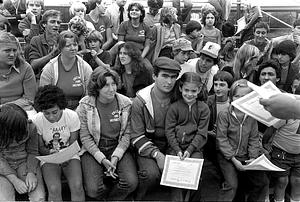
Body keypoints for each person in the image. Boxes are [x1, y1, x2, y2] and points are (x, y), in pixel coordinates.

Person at [76, 67, 138, 200]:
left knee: (131, 182)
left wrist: (115, 157)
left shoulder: (126, 103)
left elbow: (127, 134)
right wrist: (102, 159)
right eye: (106, 85)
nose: (112, 89)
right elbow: (85, 137)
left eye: (113, 84)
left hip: (118, 145)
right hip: (93, 148)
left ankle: (112, 199)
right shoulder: (85, 105)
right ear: (96, 88)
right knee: (93, 190)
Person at [130, 57, 181, 200]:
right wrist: (157, 154)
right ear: (154, 76)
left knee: (181, 173)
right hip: (149, 144)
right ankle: (138, 196)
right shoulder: (141, 101)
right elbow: (136, 135)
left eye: (173, 77)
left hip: (174, 143)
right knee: (151, 174)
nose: (169, 82)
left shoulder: (180, 96)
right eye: (164, 76)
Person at [216, 79, 269, 202]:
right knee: (232, 185)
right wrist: (234, 160)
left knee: (262, 182)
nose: (240, 99)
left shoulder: (251, 116)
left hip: (245, 155)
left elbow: (254, 138)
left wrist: (253, 157)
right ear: (231, 97)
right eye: (236, 96)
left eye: (244, 97)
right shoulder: (224, 115)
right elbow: (222, 139)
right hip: (228, 157)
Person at [32, 85, 85, 201]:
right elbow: (41, 147)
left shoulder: (71, 116)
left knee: (77, 185)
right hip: (49, 156)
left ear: (61, 107)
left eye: (55, 112)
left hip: (70, 154)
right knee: (53, 188)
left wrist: (66, 155)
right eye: (47, 113)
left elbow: (73, 143)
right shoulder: (37, 120)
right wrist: (50, 152)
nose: (51, 117)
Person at [165, 72, 210, 201]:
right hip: (175, 148)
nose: (189, 94)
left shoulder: (204, 108)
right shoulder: (174, 107)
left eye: (193, 91)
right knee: (175, 177)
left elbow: (202, 133)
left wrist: (190, 150)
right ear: (180, 88)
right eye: (186, 90)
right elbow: (169, 131)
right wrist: (177, 150)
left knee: (195, 174)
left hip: (195, 148)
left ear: (199, 90)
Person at [0, 103, 45, 201]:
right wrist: (14, 180)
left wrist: (31, 172)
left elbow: (33, 151)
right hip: (3, 166)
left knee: (39, 198)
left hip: (24, 163)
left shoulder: (30, 126)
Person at [39, 30, 92, 110]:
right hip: (56, 110)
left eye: (75, 45)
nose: (73, 48)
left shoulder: (85, 67)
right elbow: (45, 97)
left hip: (80, 109)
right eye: (68, 46)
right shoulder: (49, 68)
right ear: (60, 48)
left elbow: (89, 96)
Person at [0, 31, 36, 110]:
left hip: (20, 110)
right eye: (7, 50)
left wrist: (4, 107)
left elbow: (29, 100)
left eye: (14, 50)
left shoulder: (25, 68)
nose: (12, 54)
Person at [205, 70, 234, 163]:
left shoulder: (233, 103)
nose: (217, 88)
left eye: (222, 85)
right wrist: (209, 132)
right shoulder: (207, 102)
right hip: (210, 144)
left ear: (229, 88)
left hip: (229, 143)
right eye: (215, 84)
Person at [28, 9, 61, 79]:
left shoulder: (63, 39)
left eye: (58, 22)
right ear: (44, 24)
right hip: (41, 78)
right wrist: (52, 54)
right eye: (52, 22)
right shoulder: (36, 40)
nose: (56, 25)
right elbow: (33, 64)